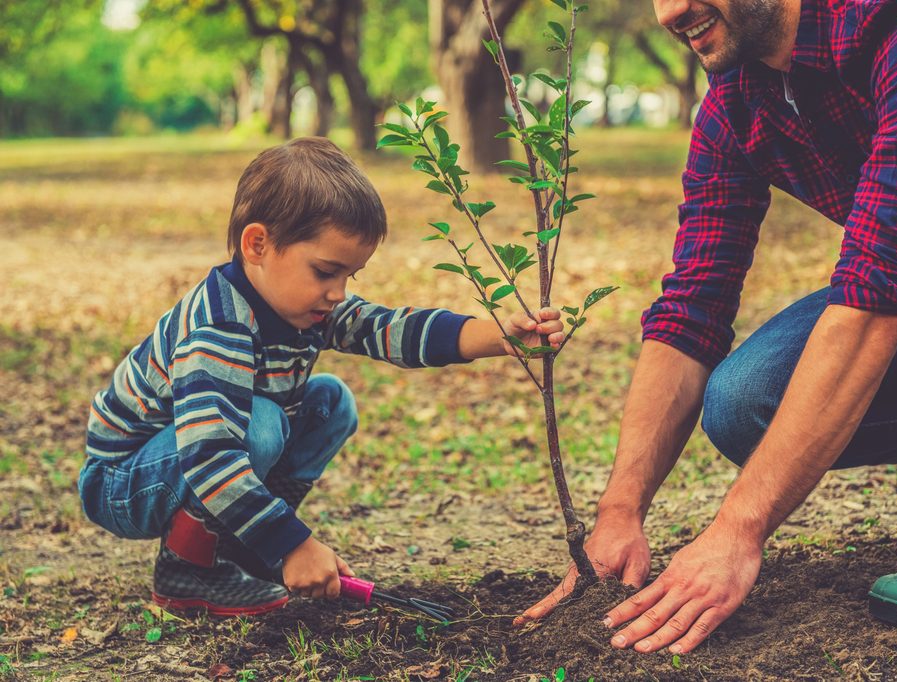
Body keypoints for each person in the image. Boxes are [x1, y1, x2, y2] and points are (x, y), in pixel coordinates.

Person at [519, 0, 897, 654]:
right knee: (745, 401)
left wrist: (737, 531)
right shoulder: (740, 102)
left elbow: (877, 293)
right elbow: (692, 305)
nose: (669, 12)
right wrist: (620, 512)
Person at [77, 137, 565, 616]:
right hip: (123, 480)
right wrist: (294, 545)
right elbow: (208, 457)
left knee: (330, 401)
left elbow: (388, 328)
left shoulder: (304, 306)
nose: (338, 293)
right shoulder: (218, 328)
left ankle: (245, 548)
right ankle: (188, 569)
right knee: (261, 422)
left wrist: (498, 336)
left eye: (349, 276)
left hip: (187, 461)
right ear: (258, 244)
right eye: (326, 271)